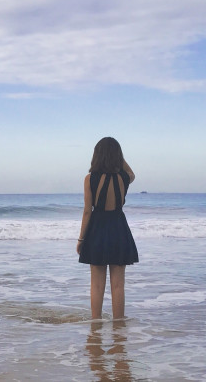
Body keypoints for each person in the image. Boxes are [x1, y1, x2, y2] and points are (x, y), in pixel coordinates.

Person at [77, 137, 138, 319]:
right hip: (119, 228)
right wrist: (118, 157)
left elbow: (87, 211)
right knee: (118, 285)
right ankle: (118, 325)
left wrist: (81, 239)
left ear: (97, 155)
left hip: (97, 230)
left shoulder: (90, 179)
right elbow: (132, 173)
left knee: (96, 285)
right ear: (118, 156)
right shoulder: (124, 178)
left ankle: (95, 324)